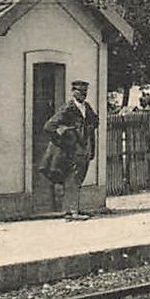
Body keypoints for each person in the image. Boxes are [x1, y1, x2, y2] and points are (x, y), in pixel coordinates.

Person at [40, 80, 99, 220]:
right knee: (72, 180)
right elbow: (49, 126)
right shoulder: (68, 108)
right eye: (80, 92)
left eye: (85, 92)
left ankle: (73, 210)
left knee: (78, 180)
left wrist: (88, 128)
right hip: (71, 151)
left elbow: (96, 121)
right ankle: (72, 212)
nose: (83, 95)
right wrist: (66, 133)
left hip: (84, 149)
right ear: (73, 92)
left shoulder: (87, 107)